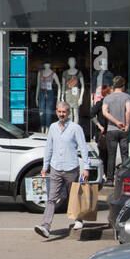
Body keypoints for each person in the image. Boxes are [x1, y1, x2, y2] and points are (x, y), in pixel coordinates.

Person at [34, 102, 89, 240]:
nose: (61, 114)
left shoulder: (76, 128)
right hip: (56, 167)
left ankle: (78, 220)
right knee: (51, 198)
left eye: (64, 112)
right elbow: (49, 148)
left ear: (69, 112)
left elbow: (83, 148)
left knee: (74, 196)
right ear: (56, 112)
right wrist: (45, 166)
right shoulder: (53, 127)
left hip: (71, 167)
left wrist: (86, 168)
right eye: (59, 112)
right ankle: (45, 227)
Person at [100, 76, 130, 183]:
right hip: (123, 130)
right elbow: (128, 111)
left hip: (111, 129)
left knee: (111, 155)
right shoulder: (127, 97)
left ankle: (110, 179)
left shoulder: (107, 98)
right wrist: (126, 125)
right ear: (123, 85)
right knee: (125, 154)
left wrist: (115, 122)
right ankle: (125, 178)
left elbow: (105, 112)